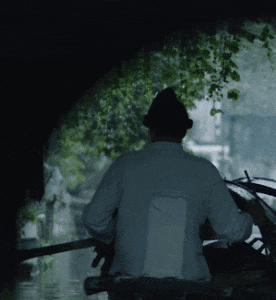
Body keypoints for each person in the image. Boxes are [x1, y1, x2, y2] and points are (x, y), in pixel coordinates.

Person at [82, 88, 254, 281]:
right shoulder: (205, 171)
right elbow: (233, 230)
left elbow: (93, 220)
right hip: (188, 281)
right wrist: (252, 217)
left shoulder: (124, 165)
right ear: (183, 131)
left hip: (129, 278)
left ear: (150, 129)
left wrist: (116, 235)